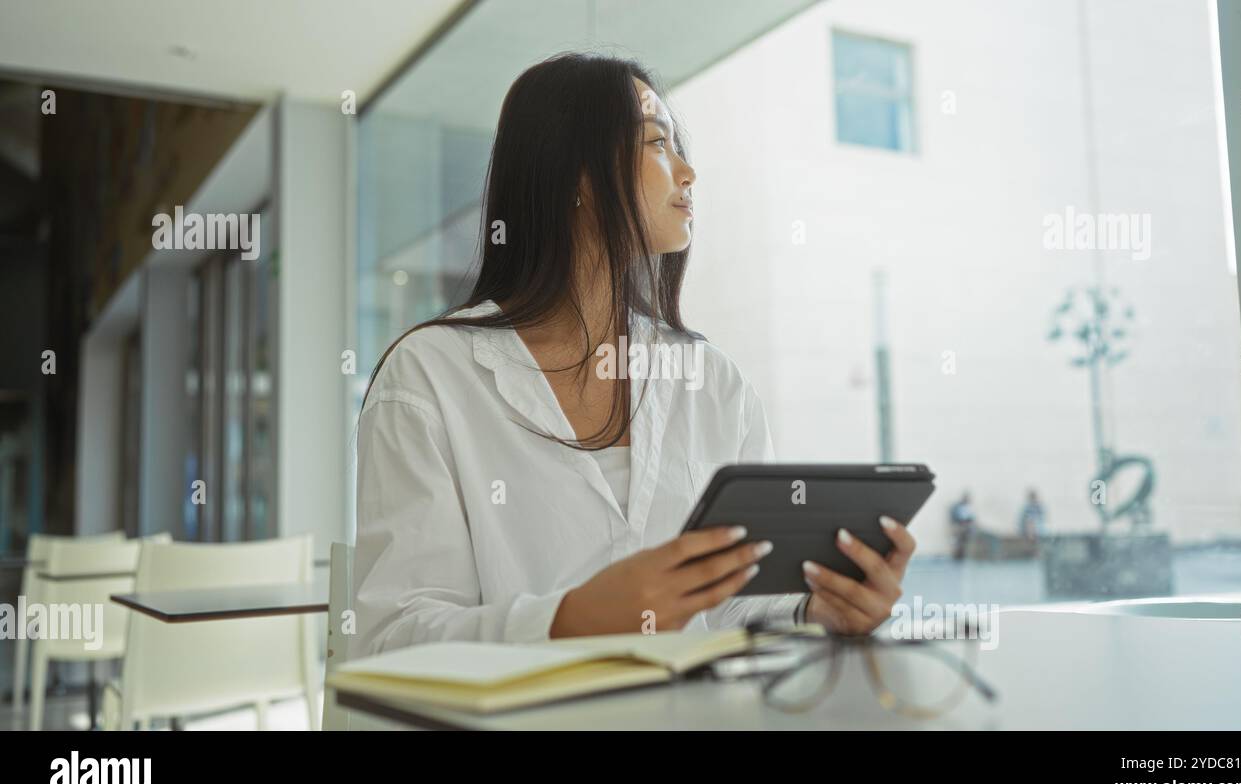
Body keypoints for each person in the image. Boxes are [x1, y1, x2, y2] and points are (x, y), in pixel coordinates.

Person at [351, 53, 920, 657]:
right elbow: (393, 636)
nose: (688, 172)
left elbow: (737, 599)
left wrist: (818, 608)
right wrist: (571, 619)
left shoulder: (714, 385)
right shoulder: (430, 378)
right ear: (576, 175)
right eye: (657, 144)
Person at [949, 492, 976, 560]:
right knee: (958, 543)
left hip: (966, 528)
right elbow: (957, 517)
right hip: (960, 526)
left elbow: (971, 518)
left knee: (964, 543)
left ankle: (961, 555)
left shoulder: (968, 507)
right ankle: (957, 556)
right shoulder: (958, 507)